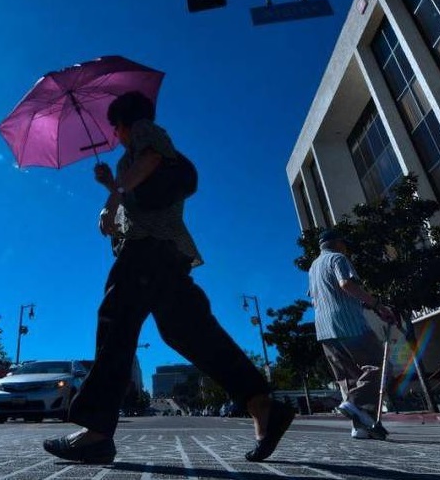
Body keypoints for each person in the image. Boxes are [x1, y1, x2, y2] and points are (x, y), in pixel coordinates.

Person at [43, 90, 294, 464]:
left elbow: (152, 158)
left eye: (116, 127)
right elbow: (117, 220)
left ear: (126, 123)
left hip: (146, 253)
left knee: (115, 327)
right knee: (188, 331)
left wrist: (115, 192)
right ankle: (261, 403)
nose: (116, 135)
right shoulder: (128, 165)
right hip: (165, 255)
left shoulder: (147, 133)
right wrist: (110, 193)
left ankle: (95, 431)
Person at [308, 229, 397, 440]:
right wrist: (377, 305)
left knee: (349, 378)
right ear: (337, 243)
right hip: (349, 324)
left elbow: (314, 298)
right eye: (344, 243)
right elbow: (346, 284)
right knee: (380, 366)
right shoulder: (338, 258)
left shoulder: (313, 268)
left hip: (324, 329)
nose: (346, 247)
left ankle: (359, 427)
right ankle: (355, 403)